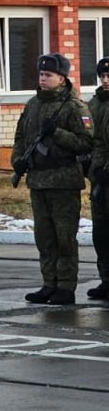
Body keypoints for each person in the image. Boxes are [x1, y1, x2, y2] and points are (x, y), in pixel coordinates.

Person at [14, 53, 93, 306]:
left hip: (63, 180)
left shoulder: (74, 107)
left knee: (64, 237)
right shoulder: (33, 105)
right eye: (41, 74)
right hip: (38, 180)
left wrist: (57, 133)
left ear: (62, 78)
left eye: (48, 75)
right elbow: (19, 136)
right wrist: (18, 160)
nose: (43, 78)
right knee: (44, 236)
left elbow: (86, 143)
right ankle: (49, 283)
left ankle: (66, 287)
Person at [86, 58, 109, 299]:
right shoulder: (94, 104)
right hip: (99, 177)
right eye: (102, 76)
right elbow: (88, 138)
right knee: (101, 232)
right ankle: (106, 280)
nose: (105, 80)